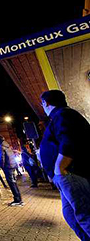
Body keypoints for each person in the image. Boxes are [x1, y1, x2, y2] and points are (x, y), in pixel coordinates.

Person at [39, 90, 90, 240]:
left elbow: (68, 140)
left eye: (42, 103)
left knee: (85, 216)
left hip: (72, 173)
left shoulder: (62, 115)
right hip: (67, 174)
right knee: (71, 215)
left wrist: (59, 168)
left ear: (46, 103)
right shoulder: (62, 115)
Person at [0, 135, 23, 206]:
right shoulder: (7, 145)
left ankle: (17, 200)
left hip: (8, 166)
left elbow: (2, 157)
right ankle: (19, 199)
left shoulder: (0, 146)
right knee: (14, 182)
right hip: (13, 165)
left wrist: (2, 166)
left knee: (11, 183)